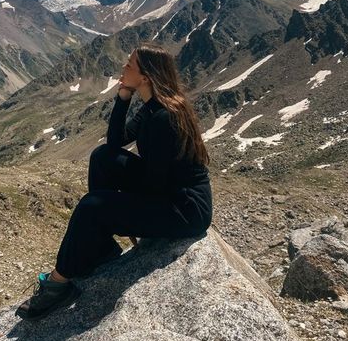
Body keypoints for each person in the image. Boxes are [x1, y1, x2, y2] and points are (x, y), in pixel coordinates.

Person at [16, 42, 212, 320]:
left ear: (145, 77)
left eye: (129, 65)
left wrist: (112, 210)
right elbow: (116, 142)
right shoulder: (153, 107)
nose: (123, 67)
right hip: (169, 192)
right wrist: (123, 97)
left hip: (185, 210)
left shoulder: (163, 118)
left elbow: (155, 186)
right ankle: (101, 248)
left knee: (92, 206)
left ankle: (58, 284)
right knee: (102, 157)